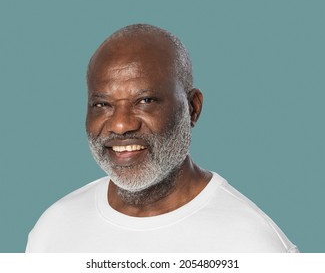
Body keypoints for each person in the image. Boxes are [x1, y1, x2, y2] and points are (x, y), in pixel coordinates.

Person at [26, 24, 298, 253]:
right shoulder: (54, 230)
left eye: (145, 100)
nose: (121, 125)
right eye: (102, 105)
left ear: (193, 108)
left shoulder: (254, 245)